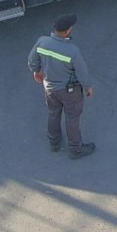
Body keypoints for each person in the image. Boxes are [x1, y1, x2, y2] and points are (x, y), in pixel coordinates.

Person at [30, 17, 95, 158]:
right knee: (72, 117)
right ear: (67, 32)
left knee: (53, 113)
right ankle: (75, 149)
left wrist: (37, 71)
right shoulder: (72, 51)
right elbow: (81, 72)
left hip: (49, 88)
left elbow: (32, 59)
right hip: (69, 91)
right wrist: (87, 87)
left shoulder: (42, 41)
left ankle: (54, 142)